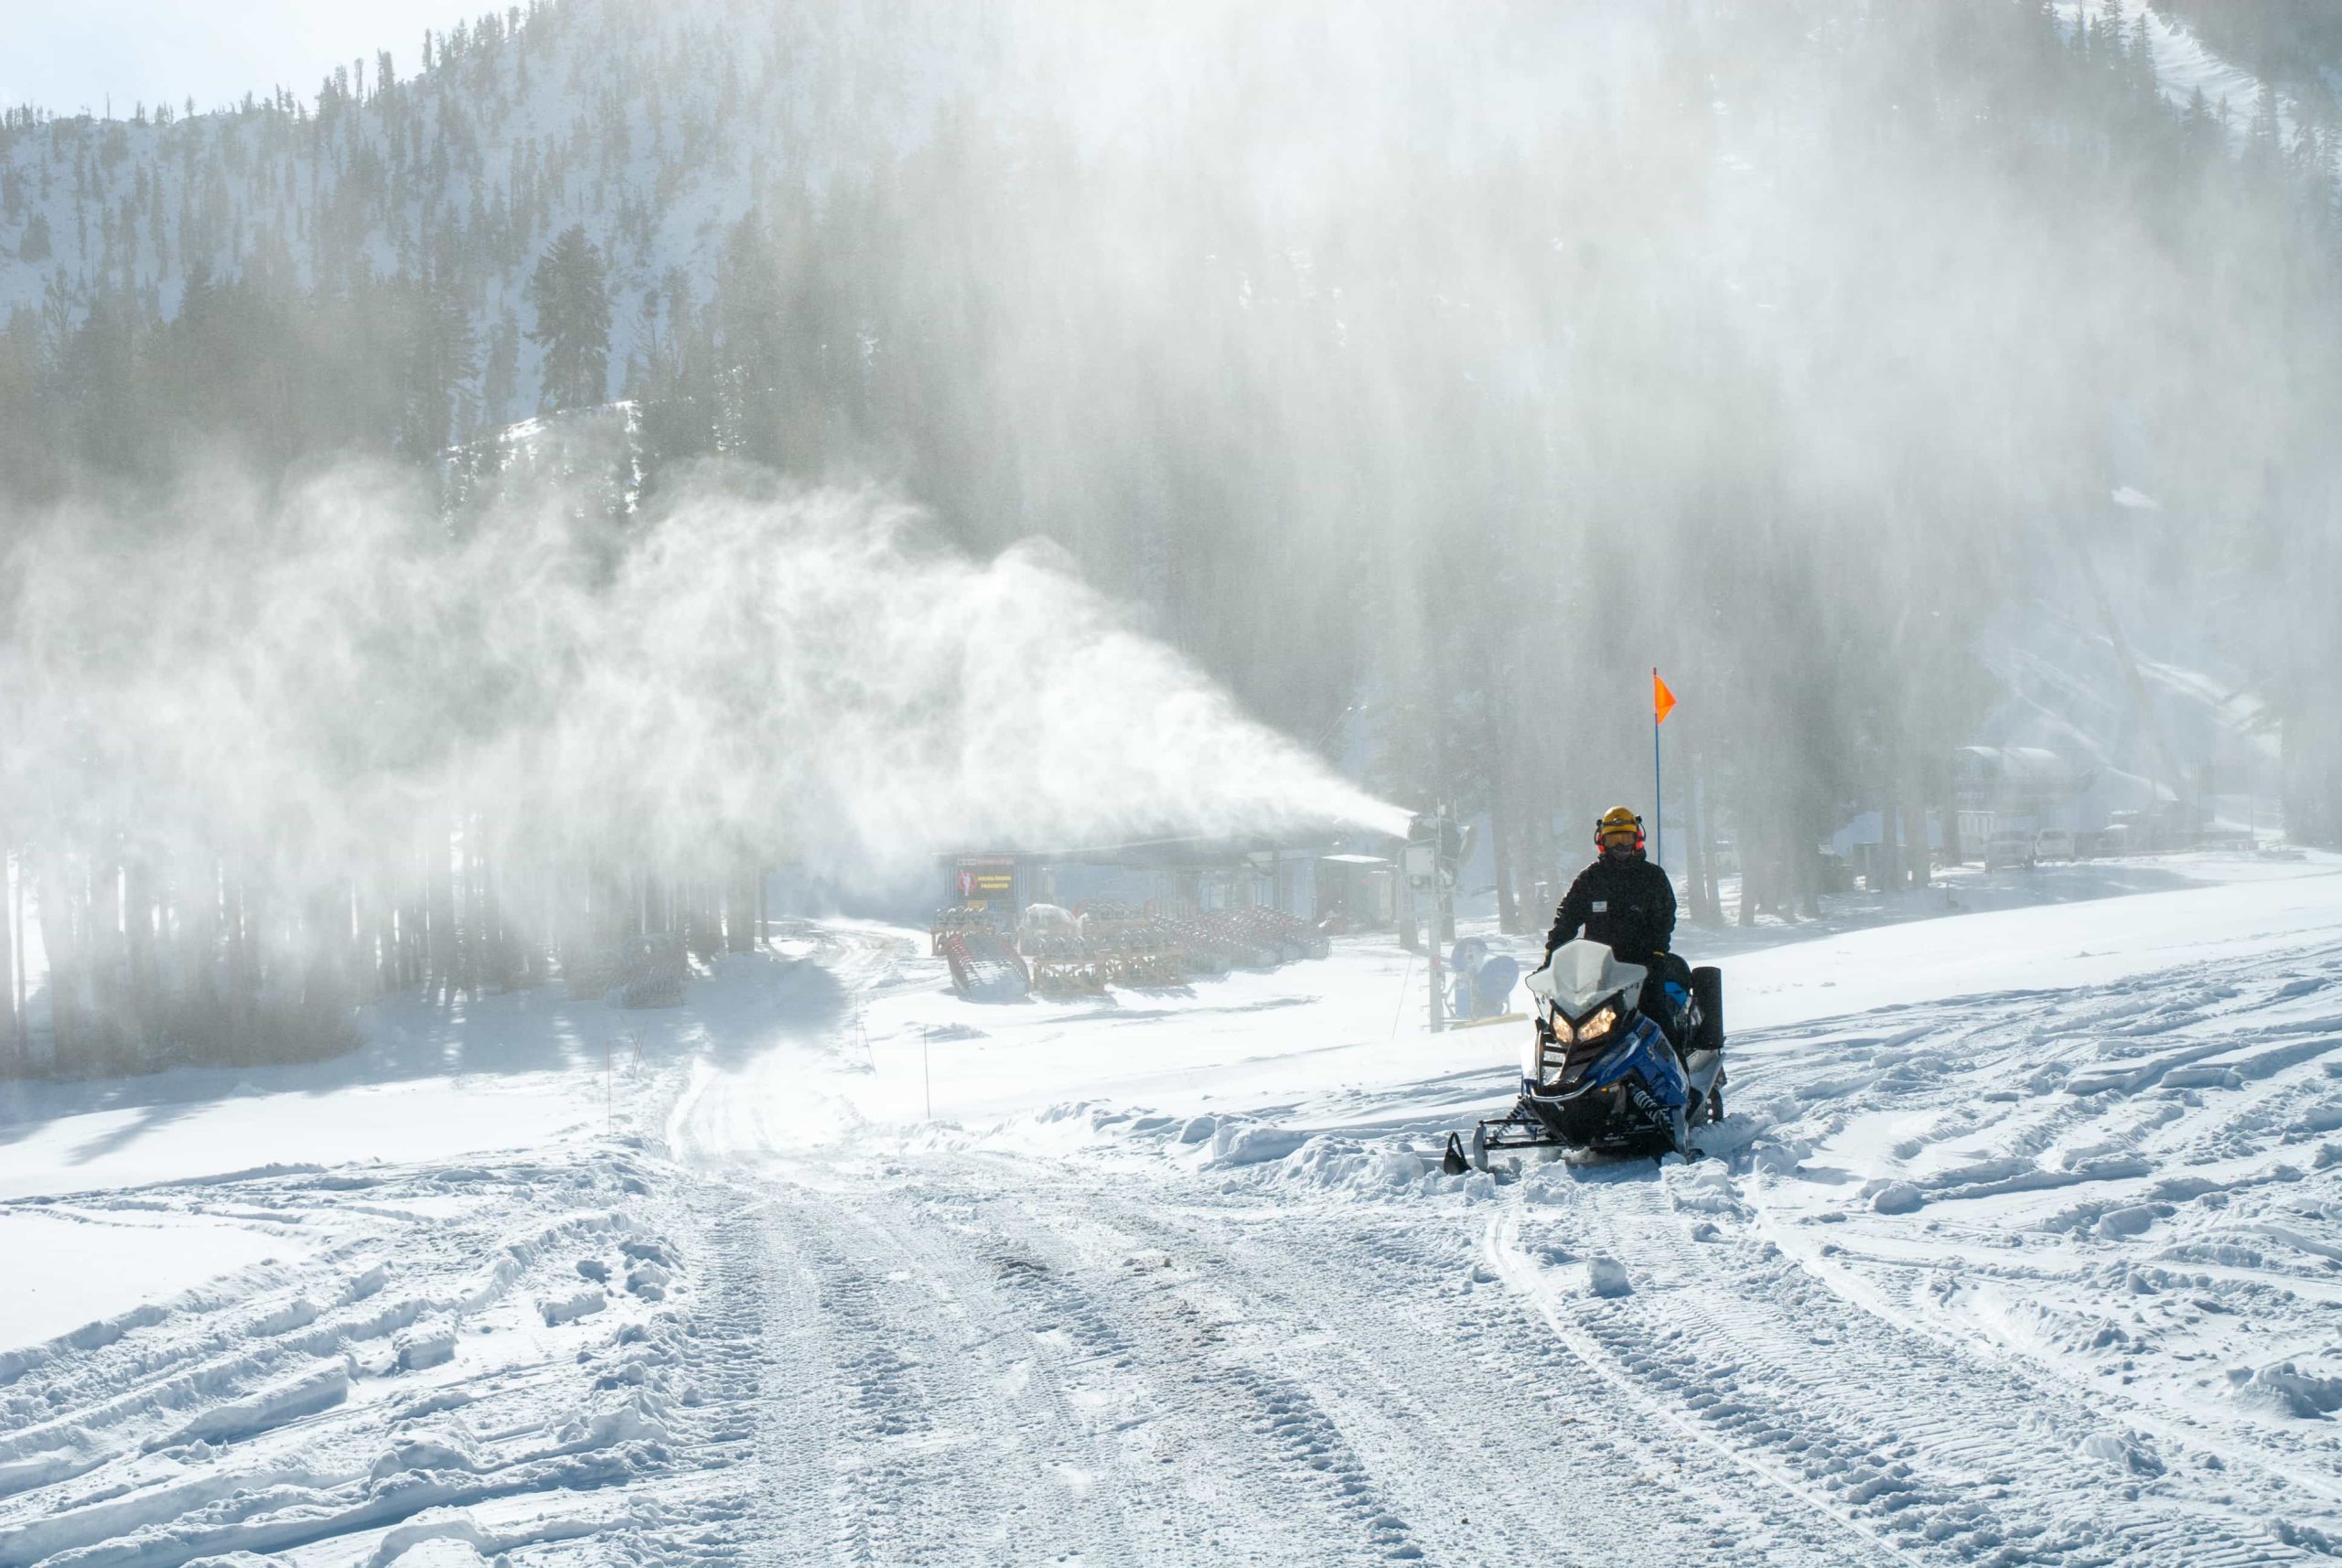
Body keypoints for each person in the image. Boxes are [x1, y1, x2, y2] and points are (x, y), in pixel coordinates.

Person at [1544, 806, 1686, 1038]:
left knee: (1658, 1021)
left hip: (1643, 967)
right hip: (1597, 972)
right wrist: (1552, 955)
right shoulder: (1590, 878)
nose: (1620, 846)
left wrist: (1658, 953)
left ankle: (1680, 1071)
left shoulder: (1652, 877)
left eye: (1626, 838)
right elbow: (1566, 918)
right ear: (1602, 842)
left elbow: (1664, 919)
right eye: (1614, 839)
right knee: (1569, 1028)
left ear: (1637, 839)